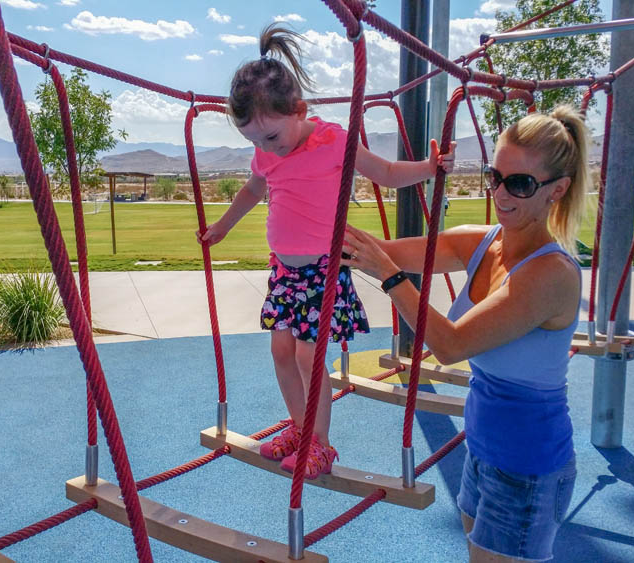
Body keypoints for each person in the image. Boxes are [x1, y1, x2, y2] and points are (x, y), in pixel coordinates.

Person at [197, 24, 455, 480]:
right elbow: (252, 191)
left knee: (306, 357)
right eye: (253, 141)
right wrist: (222, 226)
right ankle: (300, 429)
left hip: (323, 270)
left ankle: (321, 443)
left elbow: (389, 173)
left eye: (270, 137)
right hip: (285, 272)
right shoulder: (267, 153)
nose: (264, 148)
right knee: (280, 350)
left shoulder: (334, 142)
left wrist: (431, 169)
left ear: (299, 110)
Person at [342, 105, 589, 561]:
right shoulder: (485, 242)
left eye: (520, 183)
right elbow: (380, 250)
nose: (501, 193)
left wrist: (391, 277)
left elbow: (450, 345)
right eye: (495, 176)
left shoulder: (551, 274)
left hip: (528, 467)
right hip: (483, 452)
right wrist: (319, 233)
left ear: (558, 189)